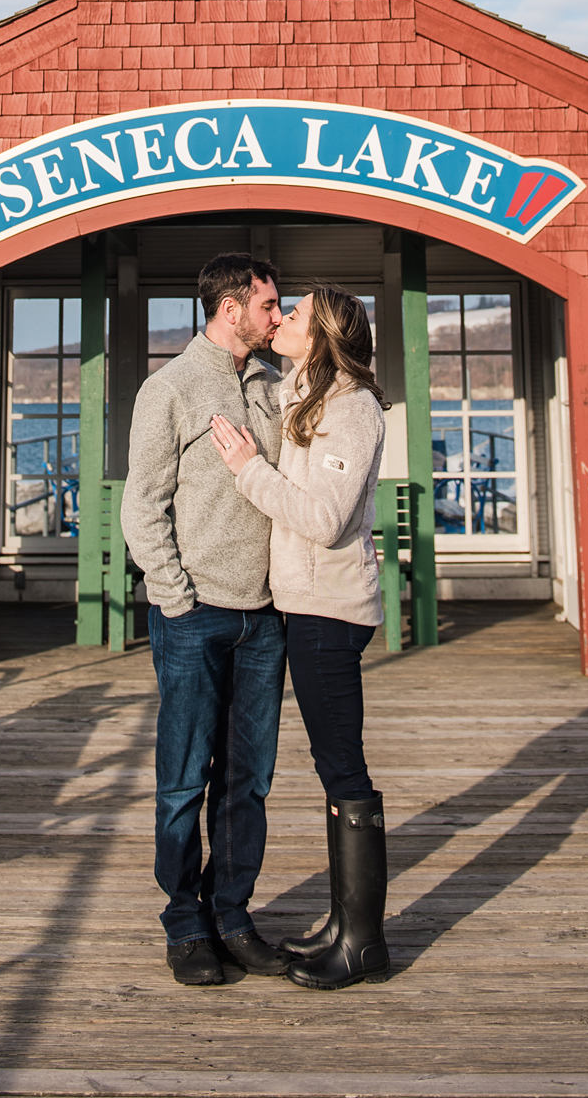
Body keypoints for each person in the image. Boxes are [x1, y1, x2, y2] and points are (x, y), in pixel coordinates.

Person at [211, 285, 390, 990]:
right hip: (305, 605)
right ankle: (342, 923)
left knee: (343, 768)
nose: (280, 319)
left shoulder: (350, 409)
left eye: (294, 315)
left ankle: (364, 944)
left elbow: (323, 519)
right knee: (329, 765)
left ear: (322, 334)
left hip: (330, 611)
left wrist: (246, 469)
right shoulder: (310, 395)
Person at [120, 252, 290, 988]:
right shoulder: (170, 389)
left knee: (248, 781)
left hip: (266, 618)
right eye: (267, 306)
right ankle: (184, 921)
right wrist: (174, 595)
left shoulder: (275, 386)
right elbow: (141, 507)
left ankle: (232, 914)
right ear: (230, 310)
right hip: (193, 618)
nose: (276, 317)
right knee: (184, 779)